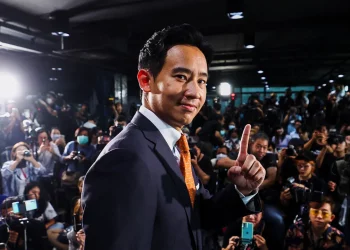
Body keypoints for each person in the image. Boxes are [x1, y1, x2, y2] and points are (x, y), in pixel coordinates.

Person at [82, 24, 266, 250]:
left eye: (202, 81)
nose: (195, 92)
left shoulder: (176, 144)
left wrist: (242, 190)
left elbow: (197, 216)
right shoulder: (125, 158)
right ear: (145, 80)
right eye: (181, 76)